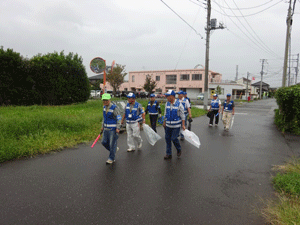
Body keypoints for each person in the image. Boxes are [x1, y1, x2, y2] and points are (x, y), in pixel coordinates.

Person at [163, 90, 186, 159]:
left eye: (168, 96)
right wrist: (164, 122)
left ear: (172, 96)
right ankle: (168, 154)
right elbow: (165, 113)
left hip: (176, 125)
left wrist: (183, 125)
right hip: (168, 125)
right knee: (167, 139)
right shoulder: (167, 104)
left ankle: (179, 149)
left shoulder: (179, 104)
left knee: (174, 138)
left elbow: (182, 115)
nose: (166, 97)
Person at [100, 93, 120, 164]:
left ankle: (111, 158)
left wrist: (118, 127)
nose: (105, 102)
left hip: (112, 129)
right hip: (105, 128)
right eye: (104, 100)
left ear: (109, 100)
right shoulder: (104, 107)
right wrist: (102, 126)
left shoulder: (114, 108)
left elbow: (118, 118)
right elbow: (104, 118)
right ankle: (114, 150)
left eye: (106, 100)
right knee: (103, 142)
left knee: (112, 144)